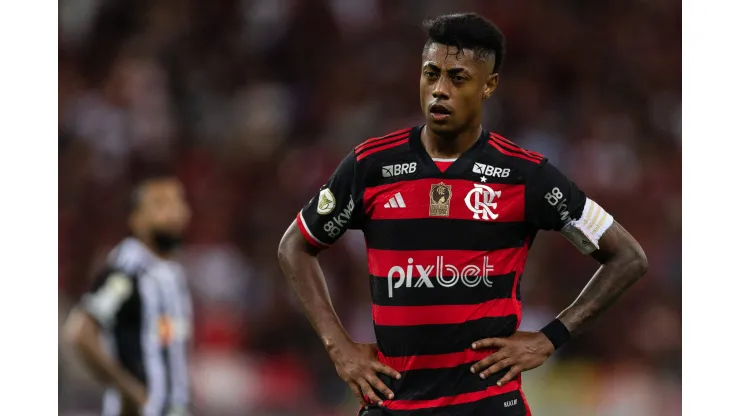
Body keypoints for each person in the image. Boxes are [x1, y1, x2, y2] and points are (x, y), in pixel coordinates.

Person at [277, 12, 648, 416]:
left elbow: (627, 256)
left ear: (489, 85)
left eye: (457, 78)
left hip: (485, 404)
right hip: (393, 403)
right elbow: (295, 245)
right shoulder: (371, 166)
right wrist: (339, 347)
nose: (439, 90)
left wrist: (549, 338)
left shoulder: (525, 175)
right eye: (430, 74)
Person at [63, 177, 193, 416]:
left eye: (177, 202)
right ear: (136, 219)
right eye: (159, 205)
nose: (173, 213)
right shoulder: (129, 271)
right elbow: (80, 332)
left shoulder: (171, 273)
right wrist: (130, 389)